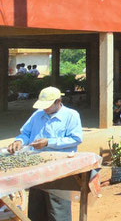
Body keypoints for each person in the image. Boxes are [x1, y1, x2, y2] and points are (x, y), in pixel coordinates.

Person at [7, 86, 82, 221]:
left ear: (58, 101)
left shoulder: (71, 115)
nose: (45, 109)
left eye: (48, 105)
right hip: (37, 168)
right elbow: (26, 133)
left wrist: (48, 142)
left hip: (59, 169)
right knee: (37, 206)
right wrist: (19, 141)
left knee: (57, 208)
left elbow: (75, 139)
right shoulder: (37, 115)